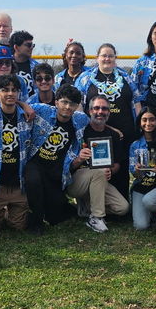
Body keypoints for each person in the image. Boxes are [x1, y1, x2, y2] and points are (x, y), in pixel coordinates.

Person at [24, 84, 90, 234]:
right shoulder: (42, 110)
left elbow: (97, 124)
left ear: (77, 106)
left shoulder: (80, 119)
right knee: (33, 181)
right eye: (64, 102)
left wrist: (114, 130)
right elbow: (17, 104)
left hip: (57, 169)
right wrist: (24, 106)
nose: (67, 107)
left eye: (72, 104)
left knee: (55, 218)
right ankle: (36, 222)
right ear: (56, 102)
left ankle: (60, 207)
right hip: (35, 162)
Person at [77, 43, 135, 196]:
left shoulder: (126, 77)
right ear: (97, 58)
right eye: (104, 55)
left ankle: (121, 201)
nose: (107, 58)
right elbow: (78, 106)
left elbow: (137, 102)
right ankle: (94, 203)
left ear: (115, 58)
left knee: (120, 165)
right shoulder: (85, 78)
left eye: (110, 55)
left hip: (124, 130)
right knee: (99, 168)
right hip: (97, 130)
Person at [0, 75, 36, 234]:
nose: (10, 94)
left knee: (17, 227)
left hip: (18, 182)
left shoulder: (27, 115)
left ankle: (12, 211)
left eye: (14, 90)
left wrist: (23, 105)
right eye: (5, 90)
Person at [67, 95, 130, 232]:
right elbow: (69, 166)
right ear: (89, 111)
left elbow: (117, 163)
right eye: (96, 108)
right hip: (76, 181)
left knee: (122, 208)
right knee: (98, 172)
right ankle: (96, 218)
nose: (100, 111)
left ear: (109, 112)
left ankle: (86, 206)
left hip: (100, 180)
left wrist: (111, 170)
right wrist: (79, 159)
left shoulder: (113, 135)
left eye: (104, 109)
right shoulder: (80, 130)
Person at [10, 30, 39, 94]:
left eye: (32, 45)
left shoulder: (37, 67)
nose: (31, 48)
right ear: (16, 47)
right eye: (28, 45)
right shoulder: (4, 66)